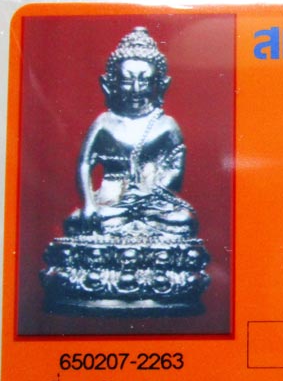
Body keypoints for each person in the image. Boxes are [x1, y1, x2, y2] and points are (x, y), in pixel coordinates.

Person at [66, 27, 197, 238]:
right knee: (78, 221)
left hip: (153, 203)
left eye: (144, 81)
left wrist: (150, 190)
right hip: (111, 201)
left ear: (160, 85)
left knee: (184, 221)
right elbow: (84, 165)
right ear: (110, 84)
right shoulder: (104, 122)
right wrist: (89, 203)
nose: (136, 89)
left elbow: (176, 171)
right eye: (127, 81)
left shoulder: (167, 125)